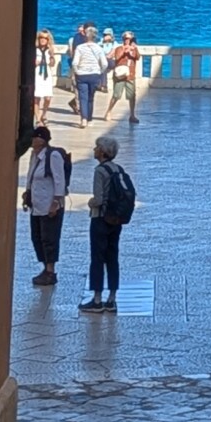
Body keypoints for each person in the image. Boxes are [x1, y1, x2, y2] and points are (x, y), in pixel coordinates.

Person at [84, 131, 136, 311]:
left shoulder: (100, 171)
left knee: (97, 257)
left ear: (103, 152)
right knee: (112, 257)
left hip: (100, 218)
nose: (94, 149)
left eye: (97, 147)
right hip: (116, 219)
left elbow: (98, 199)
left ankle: (97, 299)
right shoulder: (118, 169)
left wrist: (89, 203)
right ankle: (112, 298)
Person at [22, 124, 71, 287]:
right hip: (37, 205)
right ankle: (45, 267)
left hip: (50, 205)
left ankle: (50, 270)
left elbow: (59, 180)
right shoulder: (34, 156)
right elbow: (30, 176)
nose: (32, 140)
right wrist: (27, 193)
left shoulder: (53, 156)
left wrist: (55, 203)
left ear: (41, 140)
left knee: (49, 238)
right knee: (37, 237)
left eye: (35, 137)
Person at [71, 26, 107, 125]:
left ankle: (84, 119)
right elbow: (104, 64)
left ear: (85, 36)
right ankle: (90, 119)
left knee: (83, 97)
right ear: (95, 37)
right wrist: (99, 72)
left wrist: (77, 72)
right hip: (94, 75)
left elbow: (74, 63)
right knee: (91, 98)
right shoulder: (99, 48)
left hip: (82, 75)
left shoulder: (80, 48)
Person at [109, 30, 141, 124]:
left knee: (132, 96)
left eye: (130, 39)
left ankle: (132, 115)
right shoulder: (119, 48)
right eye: (127, 38)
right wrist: (124, 51)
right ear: (123, 39)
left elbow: (138, 57)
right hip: (120, 75)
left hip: (130, 75)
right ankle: (109, 111)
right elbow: (117, 57)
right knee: (116, 95)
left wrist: (133, 49)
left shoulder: (134, 49)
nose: (128, 40)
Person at [31, 30, 57, 126]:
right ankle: (38, 118)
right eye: (41, 38)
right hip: (37, 74)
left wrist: (52, 56)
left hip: (46, 76)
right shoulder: (34, 50)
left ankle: (44, 114)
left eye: (45, 38)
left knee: (48, 98)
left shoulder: (49, 50)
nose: (43, 40)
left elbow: (52, 64)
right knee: (36, 98)